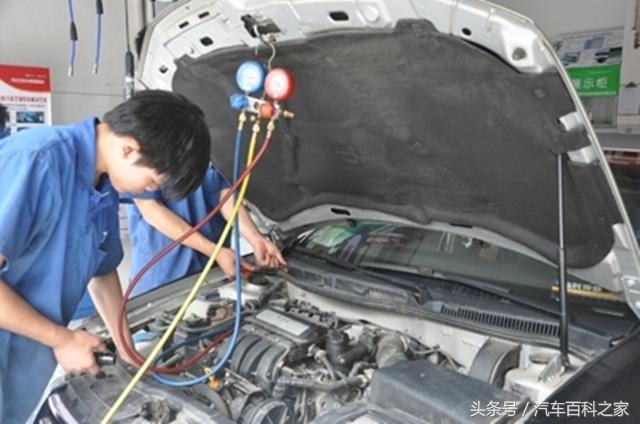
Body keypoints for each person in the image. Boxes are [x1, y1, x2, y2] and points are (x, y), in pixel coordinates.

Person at [0, 90, 211, 423]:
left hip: (23, 358)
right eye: (152, 182)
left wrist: (126, 349)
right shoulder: (37, 161)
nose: (147, 192)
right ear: (129, 148)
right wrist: (62, 339)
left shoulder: (103, 184)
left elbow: (102, 271)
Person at [125, 163, 287, 297]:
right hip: (163, 273)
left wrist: (256, 239)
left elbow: (225, 196)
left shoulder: (209, 139)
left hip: (213, 272)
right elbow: (151, 210)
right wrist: (215, 251)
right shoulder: (146, 140)